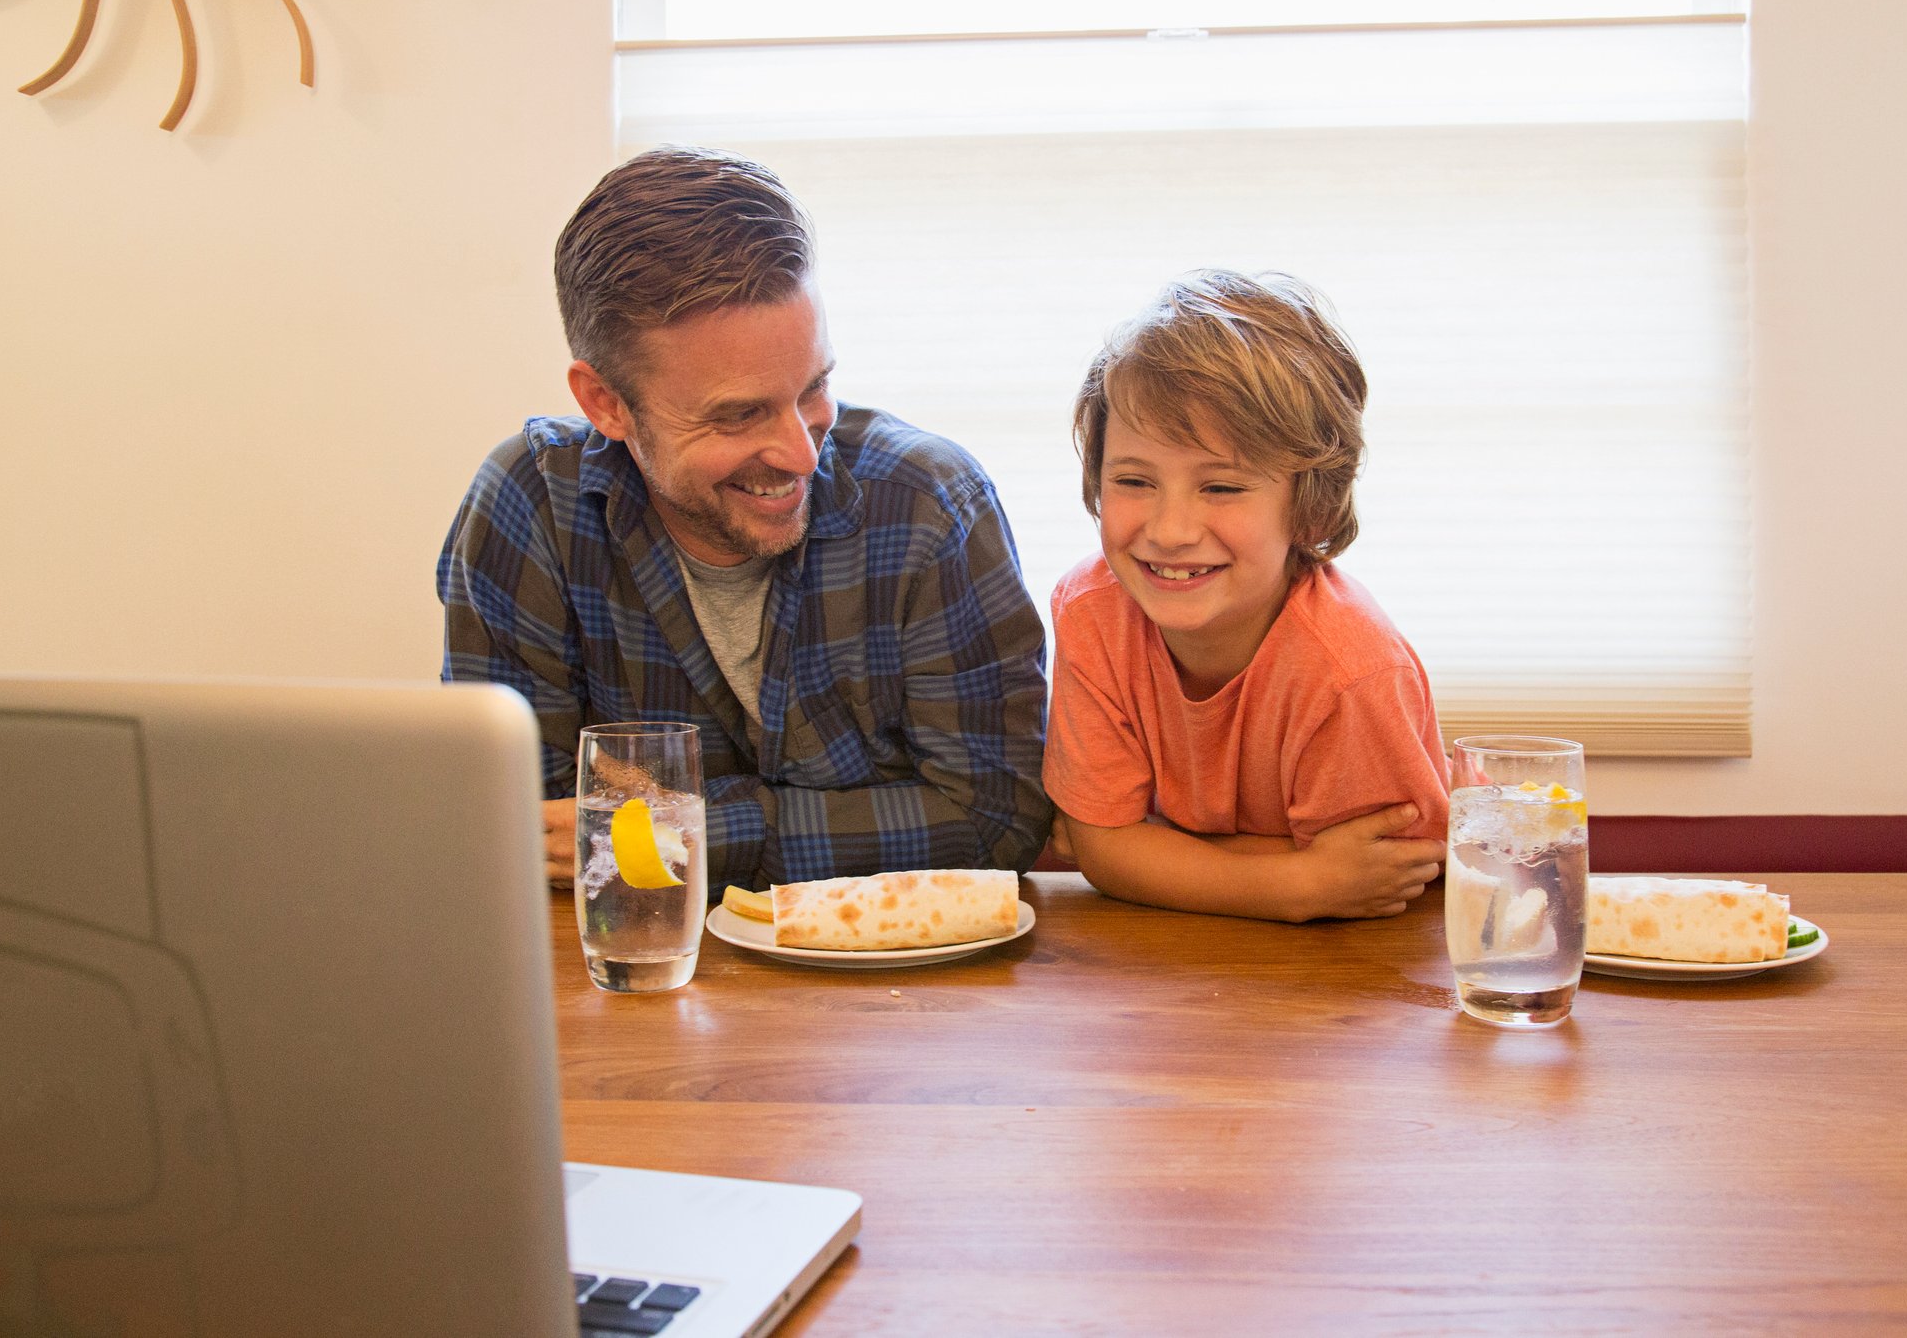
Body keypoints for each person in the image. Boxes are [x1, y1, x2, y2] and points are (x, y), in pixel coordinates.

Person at [439, 147, 1051, 894]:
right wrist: (828, 823)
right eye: (738, 415)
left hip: (895, 994)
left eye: (814, 387)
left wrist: (692, 833)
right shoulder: (529, 506)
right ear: (605, 404)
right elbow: (530, 832)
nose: (799, 452)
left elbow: (993, 823)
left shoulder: (929, 504)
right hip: (631, 978)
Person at [1043, 269, 1448, 923]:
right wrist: (1297, 883)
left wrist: (1163, 851)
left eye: (1222, 488)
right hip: (1171, 974)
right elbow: (1101, 852)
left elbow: (1384, 880)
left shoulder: (1350, 673)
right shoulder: (1090, 610)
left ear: (1309, 510)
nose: (1169, 531)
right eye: (1133, 480)